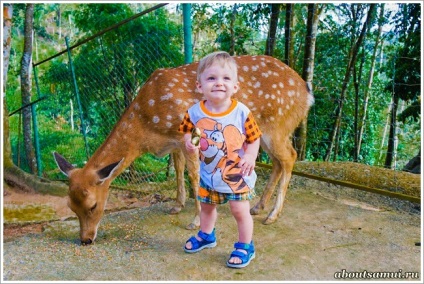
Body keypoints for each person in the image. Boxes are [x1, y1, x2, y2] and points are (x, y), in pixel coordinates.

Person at [178, 51, 262, 268]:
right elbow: (191, 131)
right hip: (209, 174)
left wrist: (251, 156)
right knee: (206, 207)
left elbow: (254, 138)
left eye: (226, 78)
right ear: (200, 86)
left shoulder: (242, 113)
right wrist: (190, 142)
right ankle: (207, 236)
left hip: (236, 174)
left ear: (235, 86)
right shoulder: (194, 112)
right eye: (211, 78)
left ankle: (245, 246)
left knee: (239, 210)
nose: (219, 83)